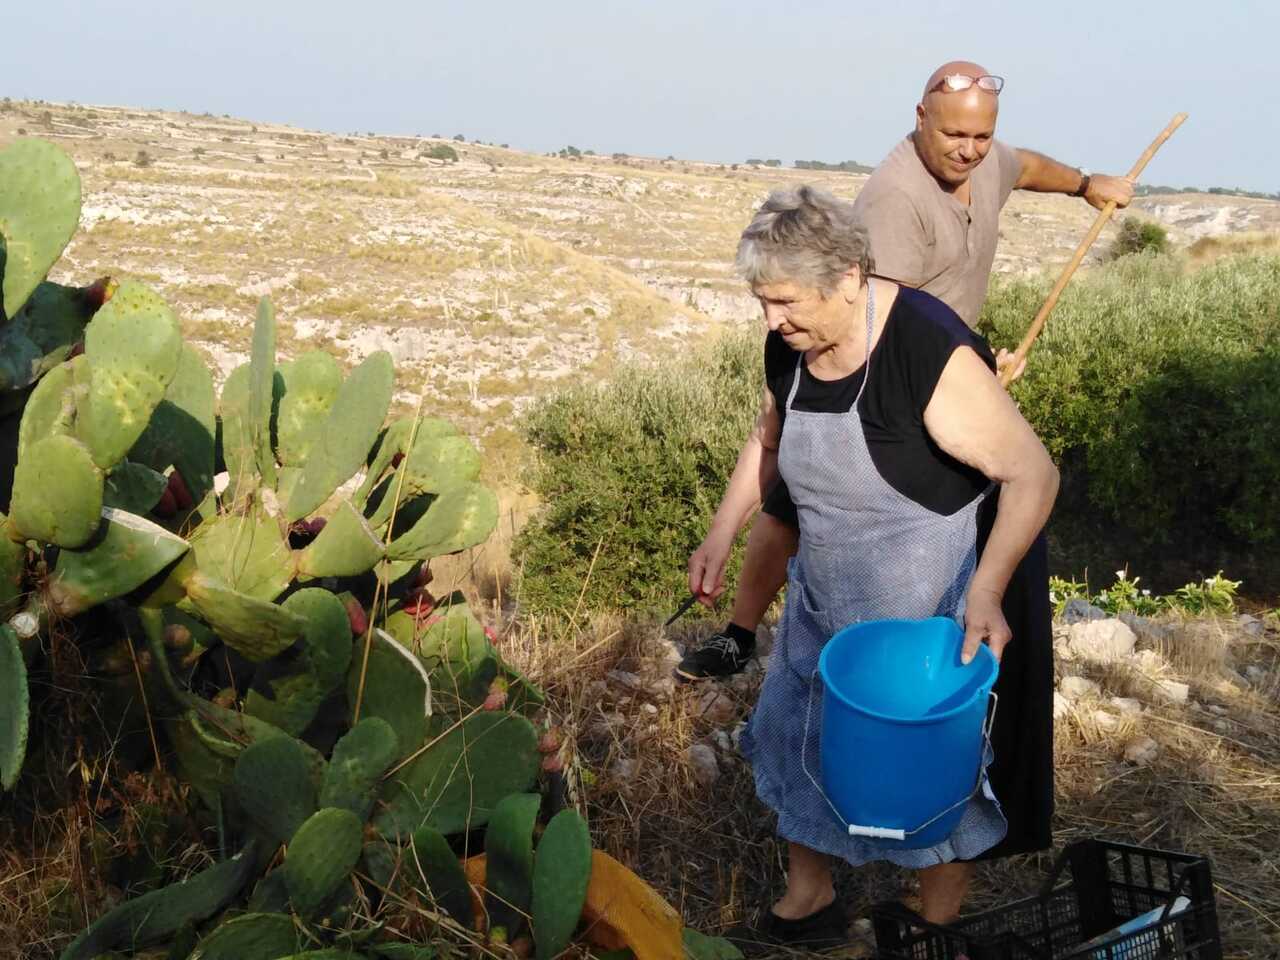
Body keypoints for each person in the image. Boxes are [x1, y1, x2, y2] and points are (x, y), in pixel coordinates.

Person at [688, 185, 1058, 947]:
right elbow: (768, 441)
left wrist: (987, 592)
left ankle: (933, 924)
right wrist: (723, 532)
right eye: (762, 302)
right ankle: (811, 895)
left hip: (929, 613)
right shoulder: (789, 348)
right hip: (825, 599)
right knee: (800, 732)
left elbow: (1033, 474)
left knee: (938, 770)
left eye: (785, 302)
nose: (771, 320)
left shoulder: (925, 349)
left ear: (849, 278)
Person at [677, 59, 1130, 681]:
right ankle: (742, 632)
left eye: (981, 136)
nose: (971, 151)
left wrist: (1084, 184)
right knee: (804, 491)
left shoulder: (987, 157)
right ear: (921, 120)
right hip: (885, 373)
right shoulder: (893, 206)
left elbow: (1021, 164)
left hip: (939, 365)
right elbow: (864, 343)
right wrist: (722, 529)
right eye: (955, 137)